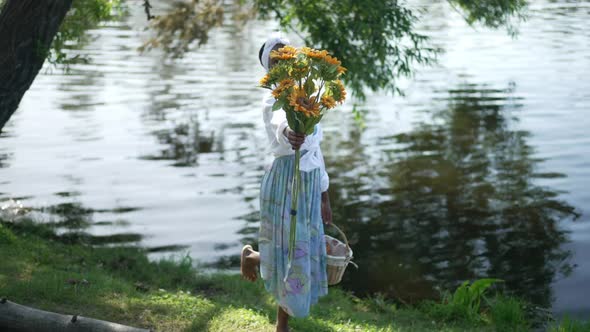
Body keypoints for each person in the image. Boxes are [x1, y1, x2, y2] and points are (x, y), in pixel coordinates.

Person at [240, 35, 333, 332]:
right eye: (277, 60)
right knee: (291, 249)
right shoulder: (273, 98)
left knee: (298, 250)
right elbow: (279, 122)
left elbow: (316, 151)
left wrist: (324, 196)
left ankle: (253, 257)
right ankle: (282, 325)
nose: (284, 62)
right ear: (270, 68)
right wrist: (289, 133)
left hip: (308, 183)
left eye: (287, 56)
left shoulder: (308, 96)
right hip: (286, 181)